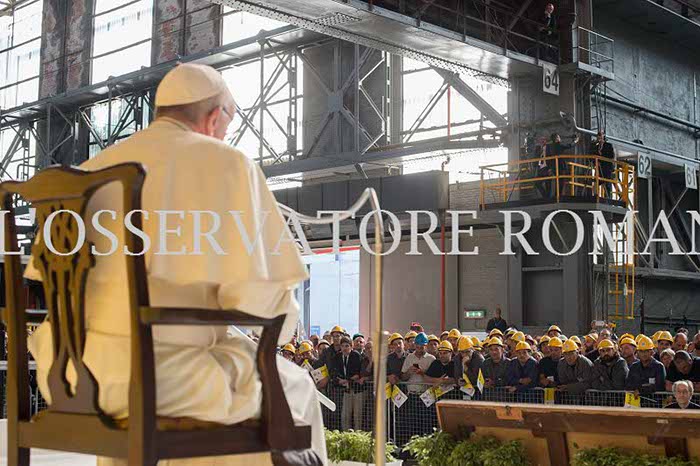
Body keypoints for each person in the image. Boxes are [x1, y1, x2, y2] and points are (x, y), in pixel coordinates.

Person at [25, 63, 327, 466]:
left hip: (70, 376)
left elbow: (49, 284)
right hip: (166, 381)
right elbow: (265, 307)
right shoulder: (225, 162)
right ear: (215, 118)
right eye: (227, 126)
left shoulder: (92, 168)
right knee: (294, 386)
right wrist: (282, 320)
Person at [331, 336, 363, 431]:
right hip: (346, 390)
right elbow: (334, 371)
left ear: (351, 346)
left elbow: (358, 373)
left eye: (347, 346)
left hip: (357, 389)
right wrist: (339, 380)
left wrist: (347, 380)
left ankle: (358, 436)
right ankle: (345, 435)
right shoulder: (337, 357)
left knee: (357, 415)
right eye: (342, 346)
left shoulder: (356, 356)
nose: (344, 348)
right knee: (345, 415)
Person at [592, 131, 616, 198]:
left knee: (607, 184)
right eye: (598, 136)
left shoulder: (608, 145)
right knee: (596, 182)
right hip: (599, 168)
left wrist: (601, 155)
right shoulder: (597, 147)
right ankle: (595, 195)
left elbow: (611, 155)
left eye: (600, 135)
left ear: (603, 136)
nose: (599, 137)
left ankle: (608, 197)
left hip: (607, 168)